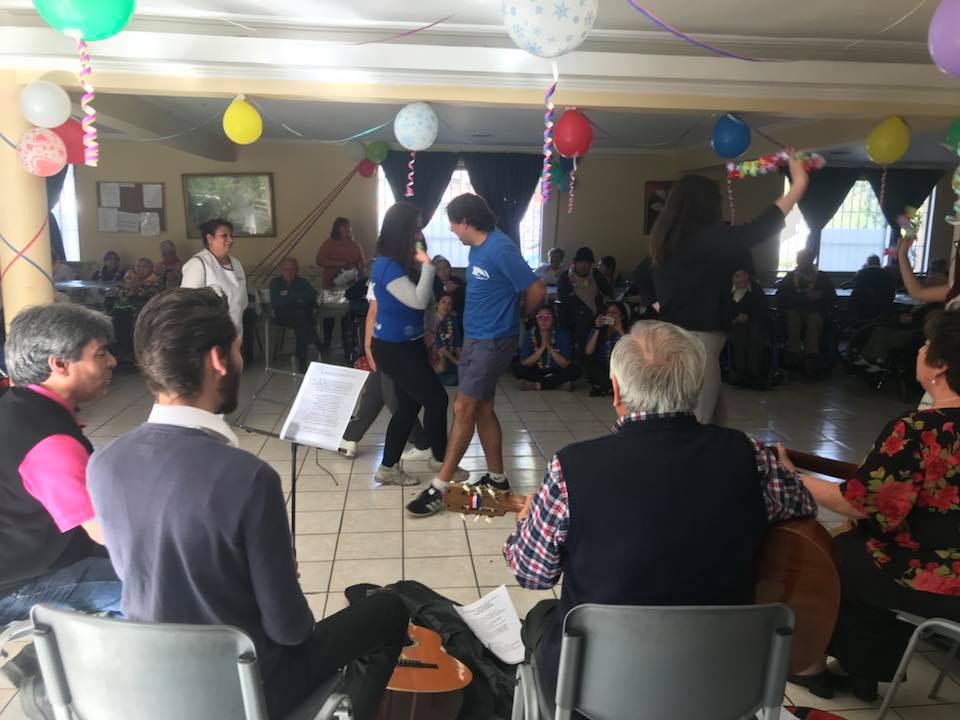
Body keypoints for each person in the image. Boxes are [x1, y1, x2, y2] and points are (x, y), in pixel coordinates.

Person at [86, 288, 410, 720]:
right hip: (245, 689)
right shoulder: (248, 477)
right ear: (218, 360)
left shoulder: (103, 462)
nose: (240, 361)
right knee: (389, 610)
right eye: (238, 349)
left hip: (154, 681)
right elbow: (291, 630)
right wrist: (280, 576)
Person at [505, 320, 817, 697]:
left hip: (598, 688)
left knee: (540, 618)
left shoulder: (571, 467)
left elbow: (532, 575)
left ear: (615, 391)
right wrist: (788, 474)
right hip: (722, 682)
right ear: (696, 387)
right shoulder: (748, 454)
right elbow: (802, 505)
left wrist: (526, 524)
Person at [784, 310, 960, 701]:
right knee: (867, 548)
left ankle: (812, 667)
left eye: (926, 345)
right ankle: (860, 671)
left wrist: (793, 477)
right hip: (944, 564)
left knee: (836, 552)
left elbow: (858, 503)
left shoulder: (919, 429)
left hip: (940, 575)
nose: (920, 350)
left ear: (940, 366)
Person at [0, 304, 121, 704]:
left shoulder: (17, 405)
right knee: (162, 592)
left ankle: (44, 659)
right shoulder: (48, 440)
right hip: (20, 581)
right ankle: (53, 684)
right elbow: (107, 533)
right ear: (59, 364)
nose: (112, 362)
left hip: (26, 554)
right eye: (100, 353)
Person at [407, 193, 545, 517]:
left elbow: (536, 289)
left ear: (466, 222)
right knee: (482, 408)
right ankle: (497, 480)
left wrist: (519, 315)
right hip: (476, 338)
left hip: (493, 341)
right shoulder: (478, 247)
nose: (452, 230)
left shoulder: (500, 248)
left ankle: (440, 487)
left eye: (453, 224)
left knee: (463, 406)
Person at [651, 156, 809, 424]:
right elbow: (755, 231)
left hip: (677, 340)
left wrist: (659, 303)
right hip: (697, 345)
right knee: (697, 426)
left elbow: (645, 275)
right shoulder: (701, 238)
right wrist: (798, 187)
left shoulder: (669, 238)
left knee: (703, 421)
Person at [370, 203, 464, 487]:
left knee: (408, 408)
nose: (420, 233)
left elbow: (427, 303)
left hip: (409, 345)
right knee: (437, 399)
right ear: (402, 230)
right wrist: (428, 267)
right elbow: (418, 300)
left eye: (420, 227)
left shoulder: (403, 261)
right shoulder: (385, 265)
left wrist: (429, 330)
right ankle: (440, 459)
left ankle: (387, 468)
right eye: (415, 227)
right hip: (393, 349)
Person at [181, 218, 248, 339]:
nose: (230, 240)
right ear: (210, 238)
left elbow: (242, 303)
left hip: (235, 333)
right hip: (208, 336)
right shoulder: (198, 264)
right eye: (224, 236)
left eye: (231, 236)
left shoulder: (236, 264)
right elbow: (187, 305)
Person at [776, 248, 837, 372]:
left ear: (811, 260)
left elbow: (832, 296)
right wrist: (803, 296)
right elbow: (780, 296)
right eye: (800, 259)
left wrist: (820, 295)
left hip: (815, 311)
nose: (802, 262)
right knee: (793, 317)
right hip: (794, 310)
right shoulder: (790, 277)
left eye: (805, 259)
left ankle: (811, 356)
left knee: (814, 319)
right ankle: (794, 354)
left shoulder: (821, 277)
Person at [556, 246, 614, 360]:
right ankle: (583, 358)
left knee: (612, 320)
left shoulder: (595, 274)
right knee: (582, 324)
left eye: (587, 263)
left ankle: (603, 357)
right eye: (581, 262)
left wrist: (607, 277)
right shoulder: (565, 277)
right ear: (575, 263)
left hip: (597, 315)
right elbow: (564, 300)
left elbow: (609, 292)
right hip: (576, 318)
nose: (584, 266)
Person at [315, 217, 365, 347]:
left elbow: (361, 262)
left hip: (350, 286)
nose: (348, 229)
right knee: (329, 316)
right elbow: (319, 260)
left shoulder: (355, 245)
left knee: (347, 315)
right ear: (337, 229)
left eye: (349, 226)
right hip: (330, 286)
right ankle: (326, 342)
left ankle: (347, 345)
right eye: (344, 227)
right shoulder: (328, 244)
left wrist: (357, 268)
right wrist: (339, 263)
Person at [269, 258, 321, 373]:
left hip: (301, 316)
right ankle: (316, 344)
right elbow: (277, 303)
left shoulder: (302, 282)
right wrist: (299, 298)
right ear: (281, 270)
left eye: (292, 269)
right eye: (286, 269)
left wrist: (289, 295)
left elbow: (311, 295)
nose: (289, 272)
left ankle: (302, 359)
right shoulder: (276, 282)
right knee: (302, 318)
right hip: (283, 316)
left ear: (297, 270)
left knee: (301, 321)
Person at [513, 303, 581, 391]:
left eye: (547, 317)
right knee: (518, 370)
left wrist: (549, 347)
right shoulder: (530, 334)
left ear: (553, 320)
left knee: (575, 370)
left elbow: (565, 364)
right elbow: (525, 362)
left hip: (556, 370)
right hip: (536, 370)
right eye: (540, 317)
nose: (543, 321)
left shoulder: (561, 334)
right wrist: (542, 348)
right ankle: (557, 385)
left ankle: (536, 385)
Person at [724, 269, 772, 388]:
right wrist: (734, 318)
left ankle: (754, 373)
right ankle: (741, 373)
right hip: (733, 324)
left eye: (744, 275)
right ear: (732, 278)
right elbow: (723, 310)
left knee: (755, 334)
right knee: (740, 333)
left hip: (754, 322)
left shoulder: (756, 289)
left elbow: (763, 310)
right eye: (738, 276)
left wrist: (748, 316)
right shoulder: (726, 291)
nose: (742, 279)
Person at [584, 300, 628, 396]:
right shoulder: (599, 330)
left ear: (621, 316)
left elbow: (631, 352)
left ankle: (605, 387)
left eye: (614, 312)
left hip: (619, 369)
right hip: (602, 368)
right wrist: (597, 328)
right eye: (608, 312)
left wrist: (620, 330)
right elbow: (588, 351)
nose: (611, 315)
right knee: (588, 361)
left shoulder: (625, 332)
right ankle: (609, 387)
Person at [848, 254, 895, 325]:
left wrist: (862, 269)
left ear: (867, 263)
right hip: (882, 311)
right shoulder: (888, 274)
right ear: (879, 264)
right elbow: (892, 293)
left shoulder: (861, 273)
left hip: (862, 309)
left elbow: (855, 288)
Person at [432, 293, 462, 386]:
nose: (446, 306)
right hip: (435, 360)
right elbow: (440, 347)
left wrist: (461, 360)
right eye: (443, 302)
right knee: (454, 380)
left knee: (465, 374)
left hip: (449, 358)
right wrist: (456, 362)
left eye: (449, 304)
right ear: (437, 304)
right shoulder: (430, 321)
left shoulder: (452, 320)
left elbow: (457, 343)